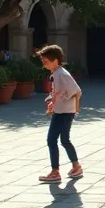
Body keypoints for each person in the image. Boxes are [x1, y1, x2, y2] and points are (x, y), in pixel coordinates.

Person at [36, 45, 83, 182]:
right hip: (63, 111)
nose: (44, 64)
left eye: (46, 61)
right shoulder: (58, 73)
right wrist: (53, 100)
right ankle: (76, 166)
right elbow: (60, 92)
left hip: (63, 113)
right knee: (64, 140)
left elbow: (76, 91)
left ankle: (55, 171)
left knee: (52, 140)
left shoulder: (61, 74)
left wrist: (61, 101)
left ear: (55, 60)